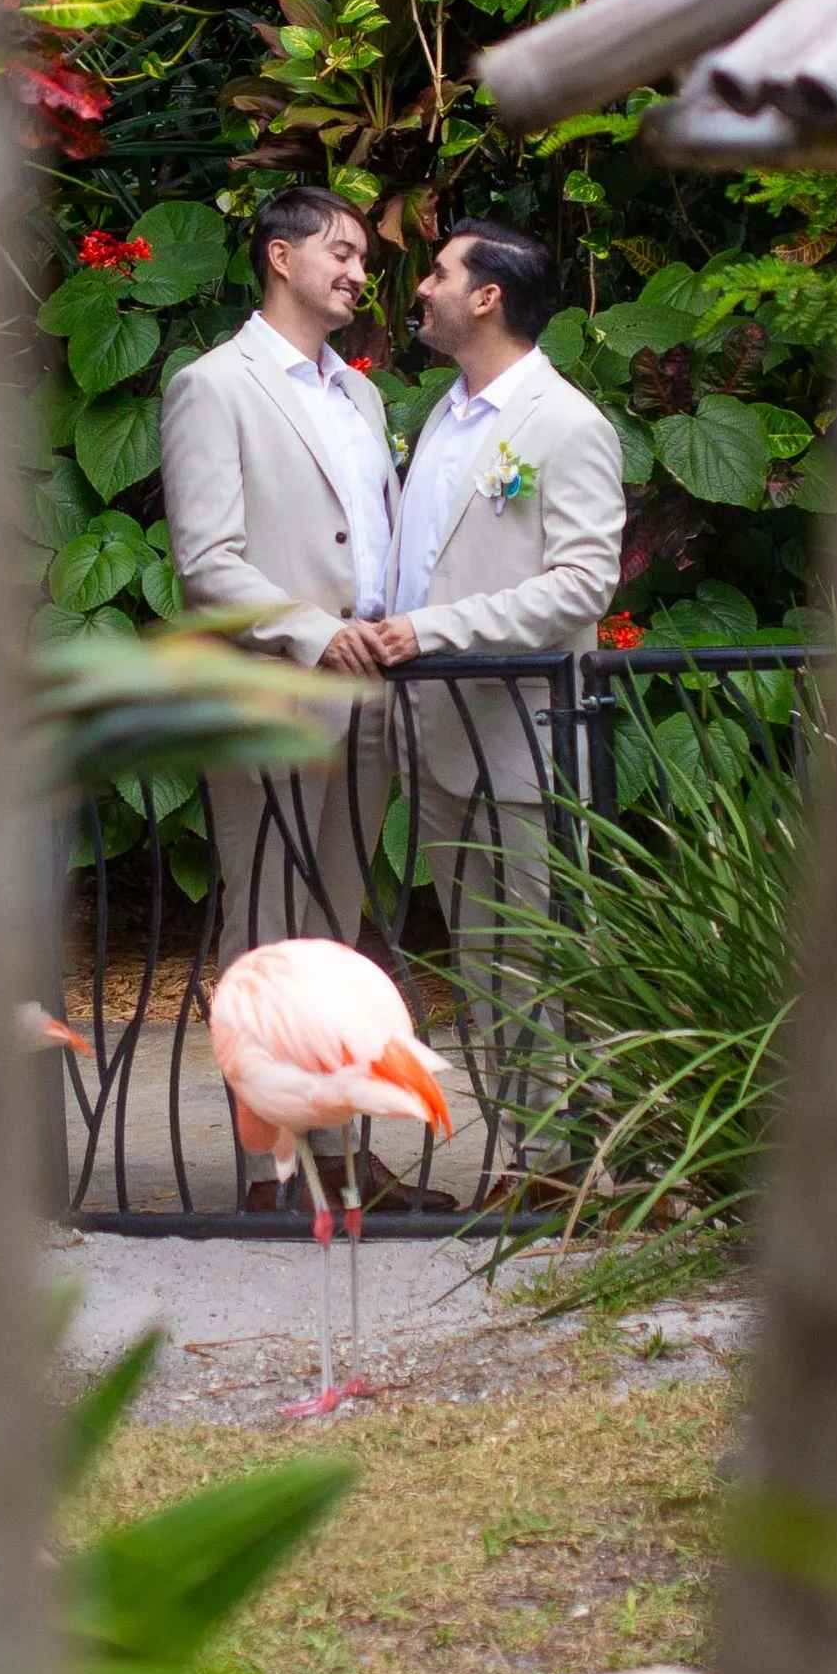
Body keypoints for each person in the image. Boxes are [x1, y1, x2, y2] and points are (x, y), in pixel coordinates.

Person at [352, 222, 623, 1168]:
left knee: (533, 963)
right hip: (438, 737)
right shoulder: (445, 416)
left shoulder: (567, 423)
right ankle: (532, 1162)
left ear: (488, 297)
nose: (418, 288)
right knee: (480, 964)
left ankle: (558, 1171)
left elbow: (583, 584)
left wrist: (432, 634)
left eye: (438, 273)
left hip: (523, 744)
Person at [160, 184, 399, 973]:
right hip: (271, 690)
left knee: (336, 936)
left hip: (370, 697)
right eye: (343, 252)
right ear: (281, 256)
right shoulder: (213, 385)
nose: (360, 273)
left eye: (363, 258)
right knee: (269, 932)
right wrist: (318, 634)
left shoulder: (361, 394)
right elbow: (206, 564)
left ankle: (326, 1103)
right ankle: (255, 1104)